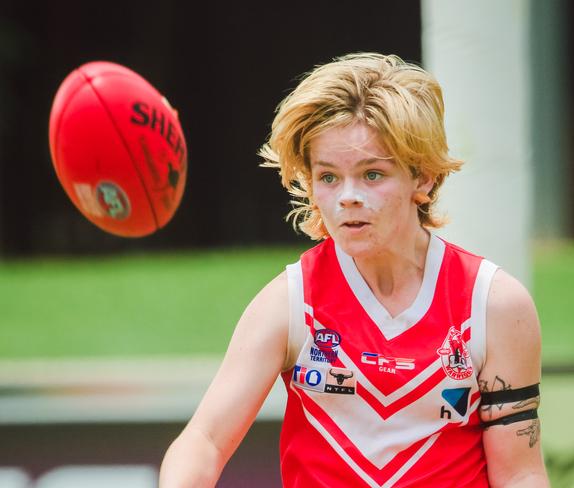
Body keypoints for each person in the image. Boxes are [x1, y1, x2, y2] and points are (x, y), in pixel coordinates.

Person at [159, 53, 549, 487]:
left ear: (422, 178)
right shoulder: (289, 303)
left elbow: (520, 474)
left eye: (372, 174)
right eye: (328, 177)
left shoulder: (494, 304)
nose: (347, 197)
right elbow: (204, 441)